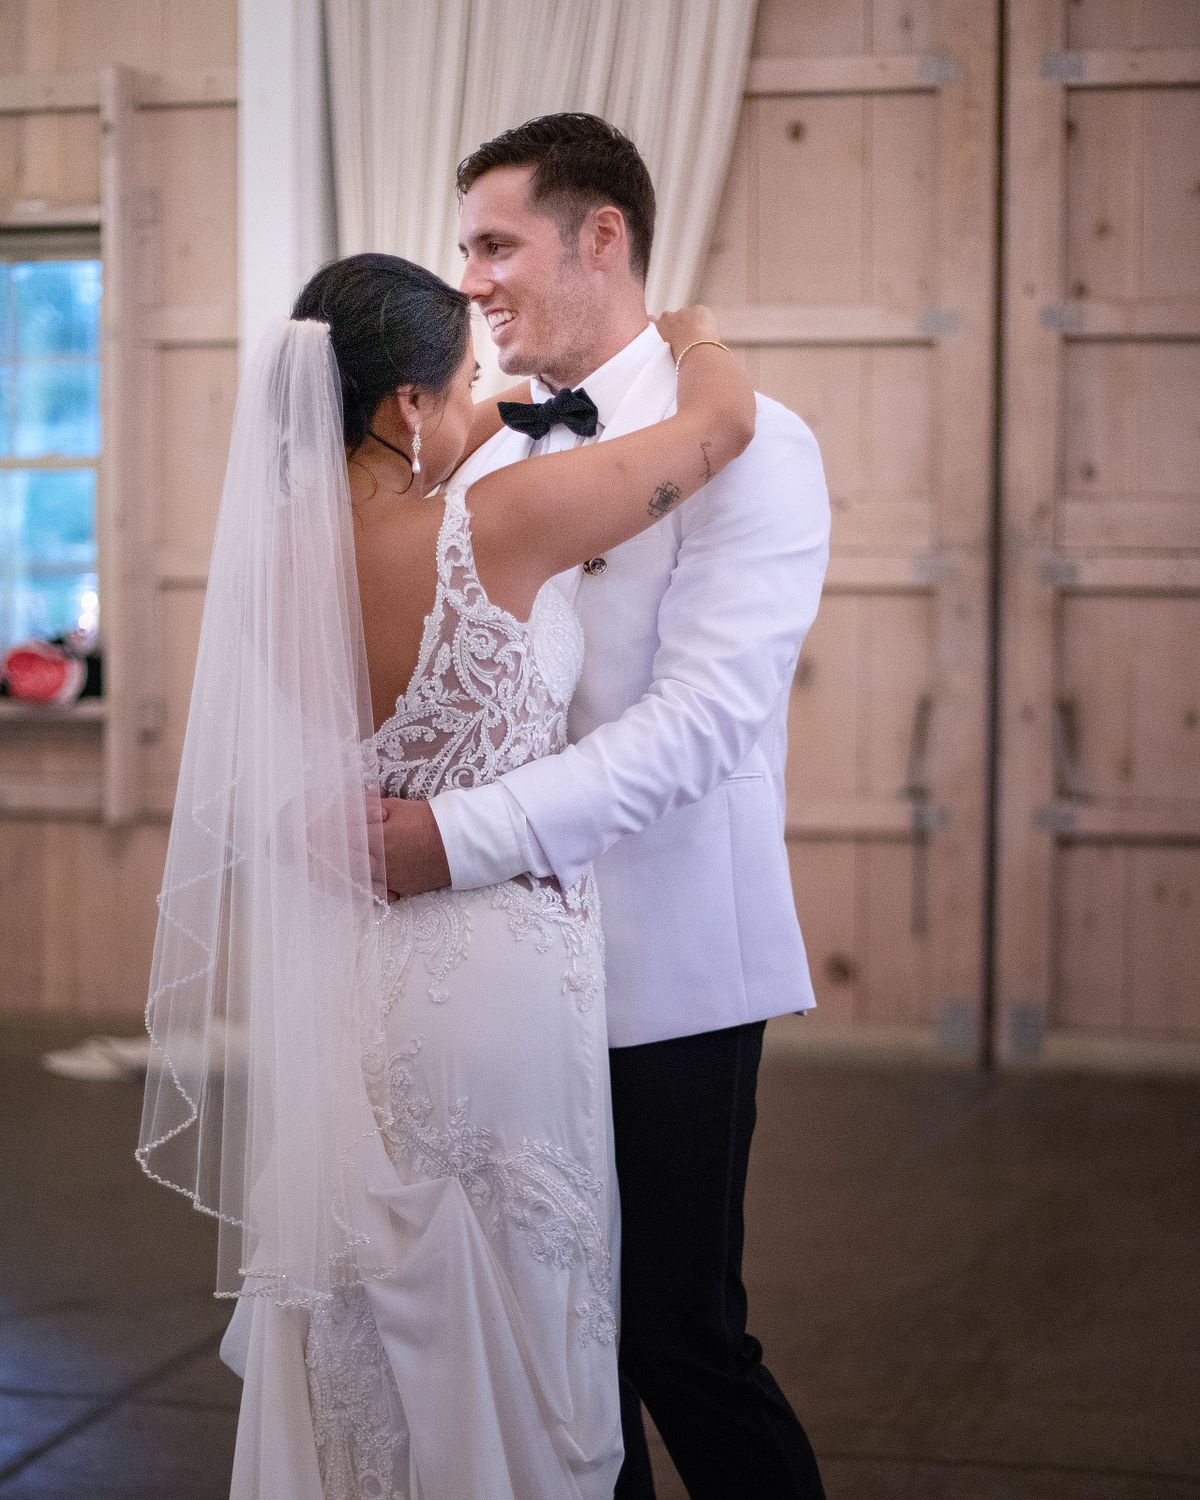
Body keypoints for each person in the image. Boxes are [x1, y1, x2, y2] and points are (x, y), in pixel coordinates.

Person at [136, 246, 756, 1499]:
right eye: (466, 381)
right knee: (522, 1311)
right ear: (403, 405)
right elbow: (722, 428)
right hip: (492, 980)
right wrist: (693, 331)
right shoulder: (500, 524)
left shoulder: (271, 571)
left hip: (359, 979)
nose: (486, 406)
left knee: (376, 1329)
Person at [379, 114, 831, 1498]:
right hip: (499, 974)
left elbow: (700, 724)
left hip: (666, 963)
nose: (474, 280)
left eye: (499, 243)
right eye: (465, 249)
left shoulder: (758, 444)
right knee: (547, 1344)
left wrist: (453, 839)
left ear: (604, 238)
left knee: (678, 1340)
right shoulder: (477, 453)